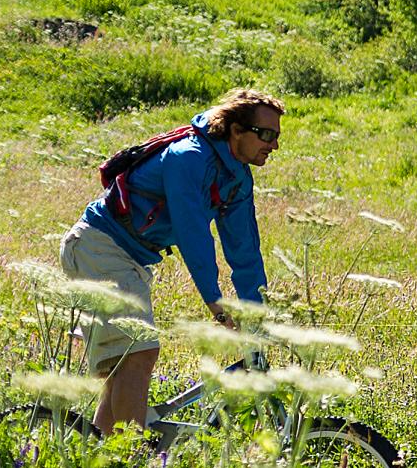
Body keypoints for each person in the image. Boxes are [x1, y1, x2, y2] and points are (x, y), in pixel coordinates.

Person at [60, 89, 280, 446]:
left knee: (123, 371)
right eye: (266, 135)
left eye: (277, 137)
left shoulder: (237, 176)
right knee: (140, 352)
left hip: (129, 259)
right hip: (98, 247)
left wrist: (256, 309)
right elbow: (193, 232)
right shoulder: (187, 158)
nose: (273, 145)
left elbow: (244, 250)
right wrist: (215, 300)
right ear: (236, 130)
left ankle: (97, 459)